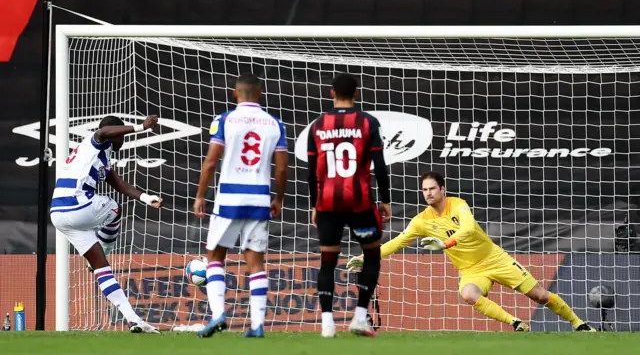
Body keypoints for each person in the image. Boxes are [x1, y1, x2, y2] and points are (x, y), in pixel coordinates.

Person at [347, 171, 597, 332]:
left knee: (541, 296)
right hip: (470, 270)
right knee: (468, 294)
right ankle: (517, 324)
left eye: (432, 188)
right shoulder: (421, 221)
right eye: (424, 190)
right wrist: (367, 257)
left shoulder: (459, 205)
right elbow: (397, 242)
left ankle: (579, 324)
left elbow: (466, 230)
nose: (428, 193)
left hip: (495, 258)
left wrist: (445, 244)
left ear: (443, 189)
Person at [193, 73, 288, 339]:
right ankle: (257, 325)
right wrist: (278, 198)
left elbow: (211, 162)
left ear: (235, 93)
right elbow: (282, 168)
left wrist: (201, 195)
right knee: (255, 262)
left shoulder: (224, 120)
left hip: (229, 199)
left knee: (215, 256)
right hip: (259, 198)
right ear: (260, 94)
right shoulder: (276, 124)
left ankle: (218, 315)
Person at [50, 114, 163, 334]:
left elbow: (121, 186)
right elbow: (102, 133)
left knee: (102, 269)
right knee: (114, 208)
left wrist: (147, 198)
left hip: (59, 214)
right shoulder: (95, 143)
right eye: (120, 135)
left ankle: (133, 320)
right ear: (115, 134)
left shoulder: (102, 157)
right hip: (76, 204)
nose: (123, 140)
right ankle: (106, 248)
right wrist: (140, 127)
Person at [307, 73, 391, 338]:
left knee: (328, 262)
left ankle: (327, 325)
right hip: (360, 203)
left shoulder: (318, 125)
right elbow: (380, 166)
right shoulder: (367, 122)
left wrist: (314, 204)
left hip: (328, 203)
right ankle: (359, 317)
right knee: (372, 255)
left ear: (331, 93)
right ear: (356, 93)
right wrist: (385, 199)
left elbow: (311, 171)